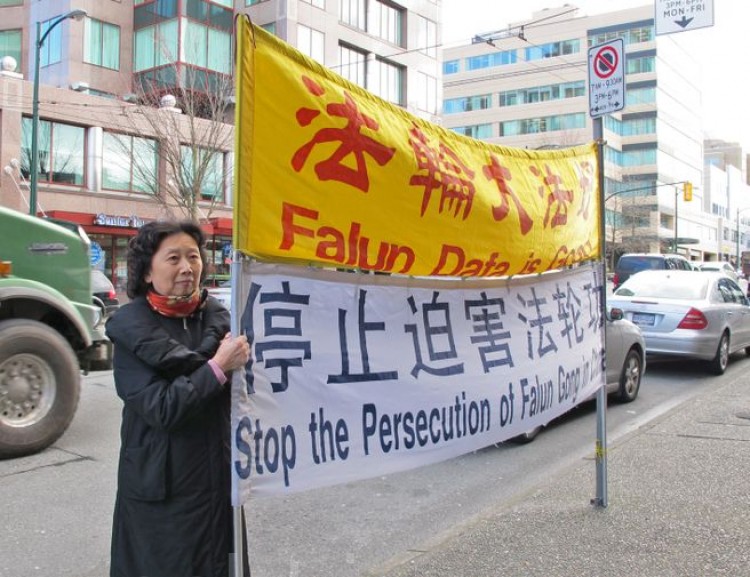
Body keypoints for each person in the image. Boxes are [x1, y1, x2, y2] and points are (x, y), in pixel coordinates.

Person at [105, 220, 250, 577]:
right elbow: (162, 408)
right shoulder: (130, 331)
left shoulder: (221, 322)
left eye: (193, 256)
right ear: (147, 273)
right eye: (173, 258)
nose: (187, 267)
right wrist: (217, 367)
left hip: (217, 481)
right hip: (162, 490)